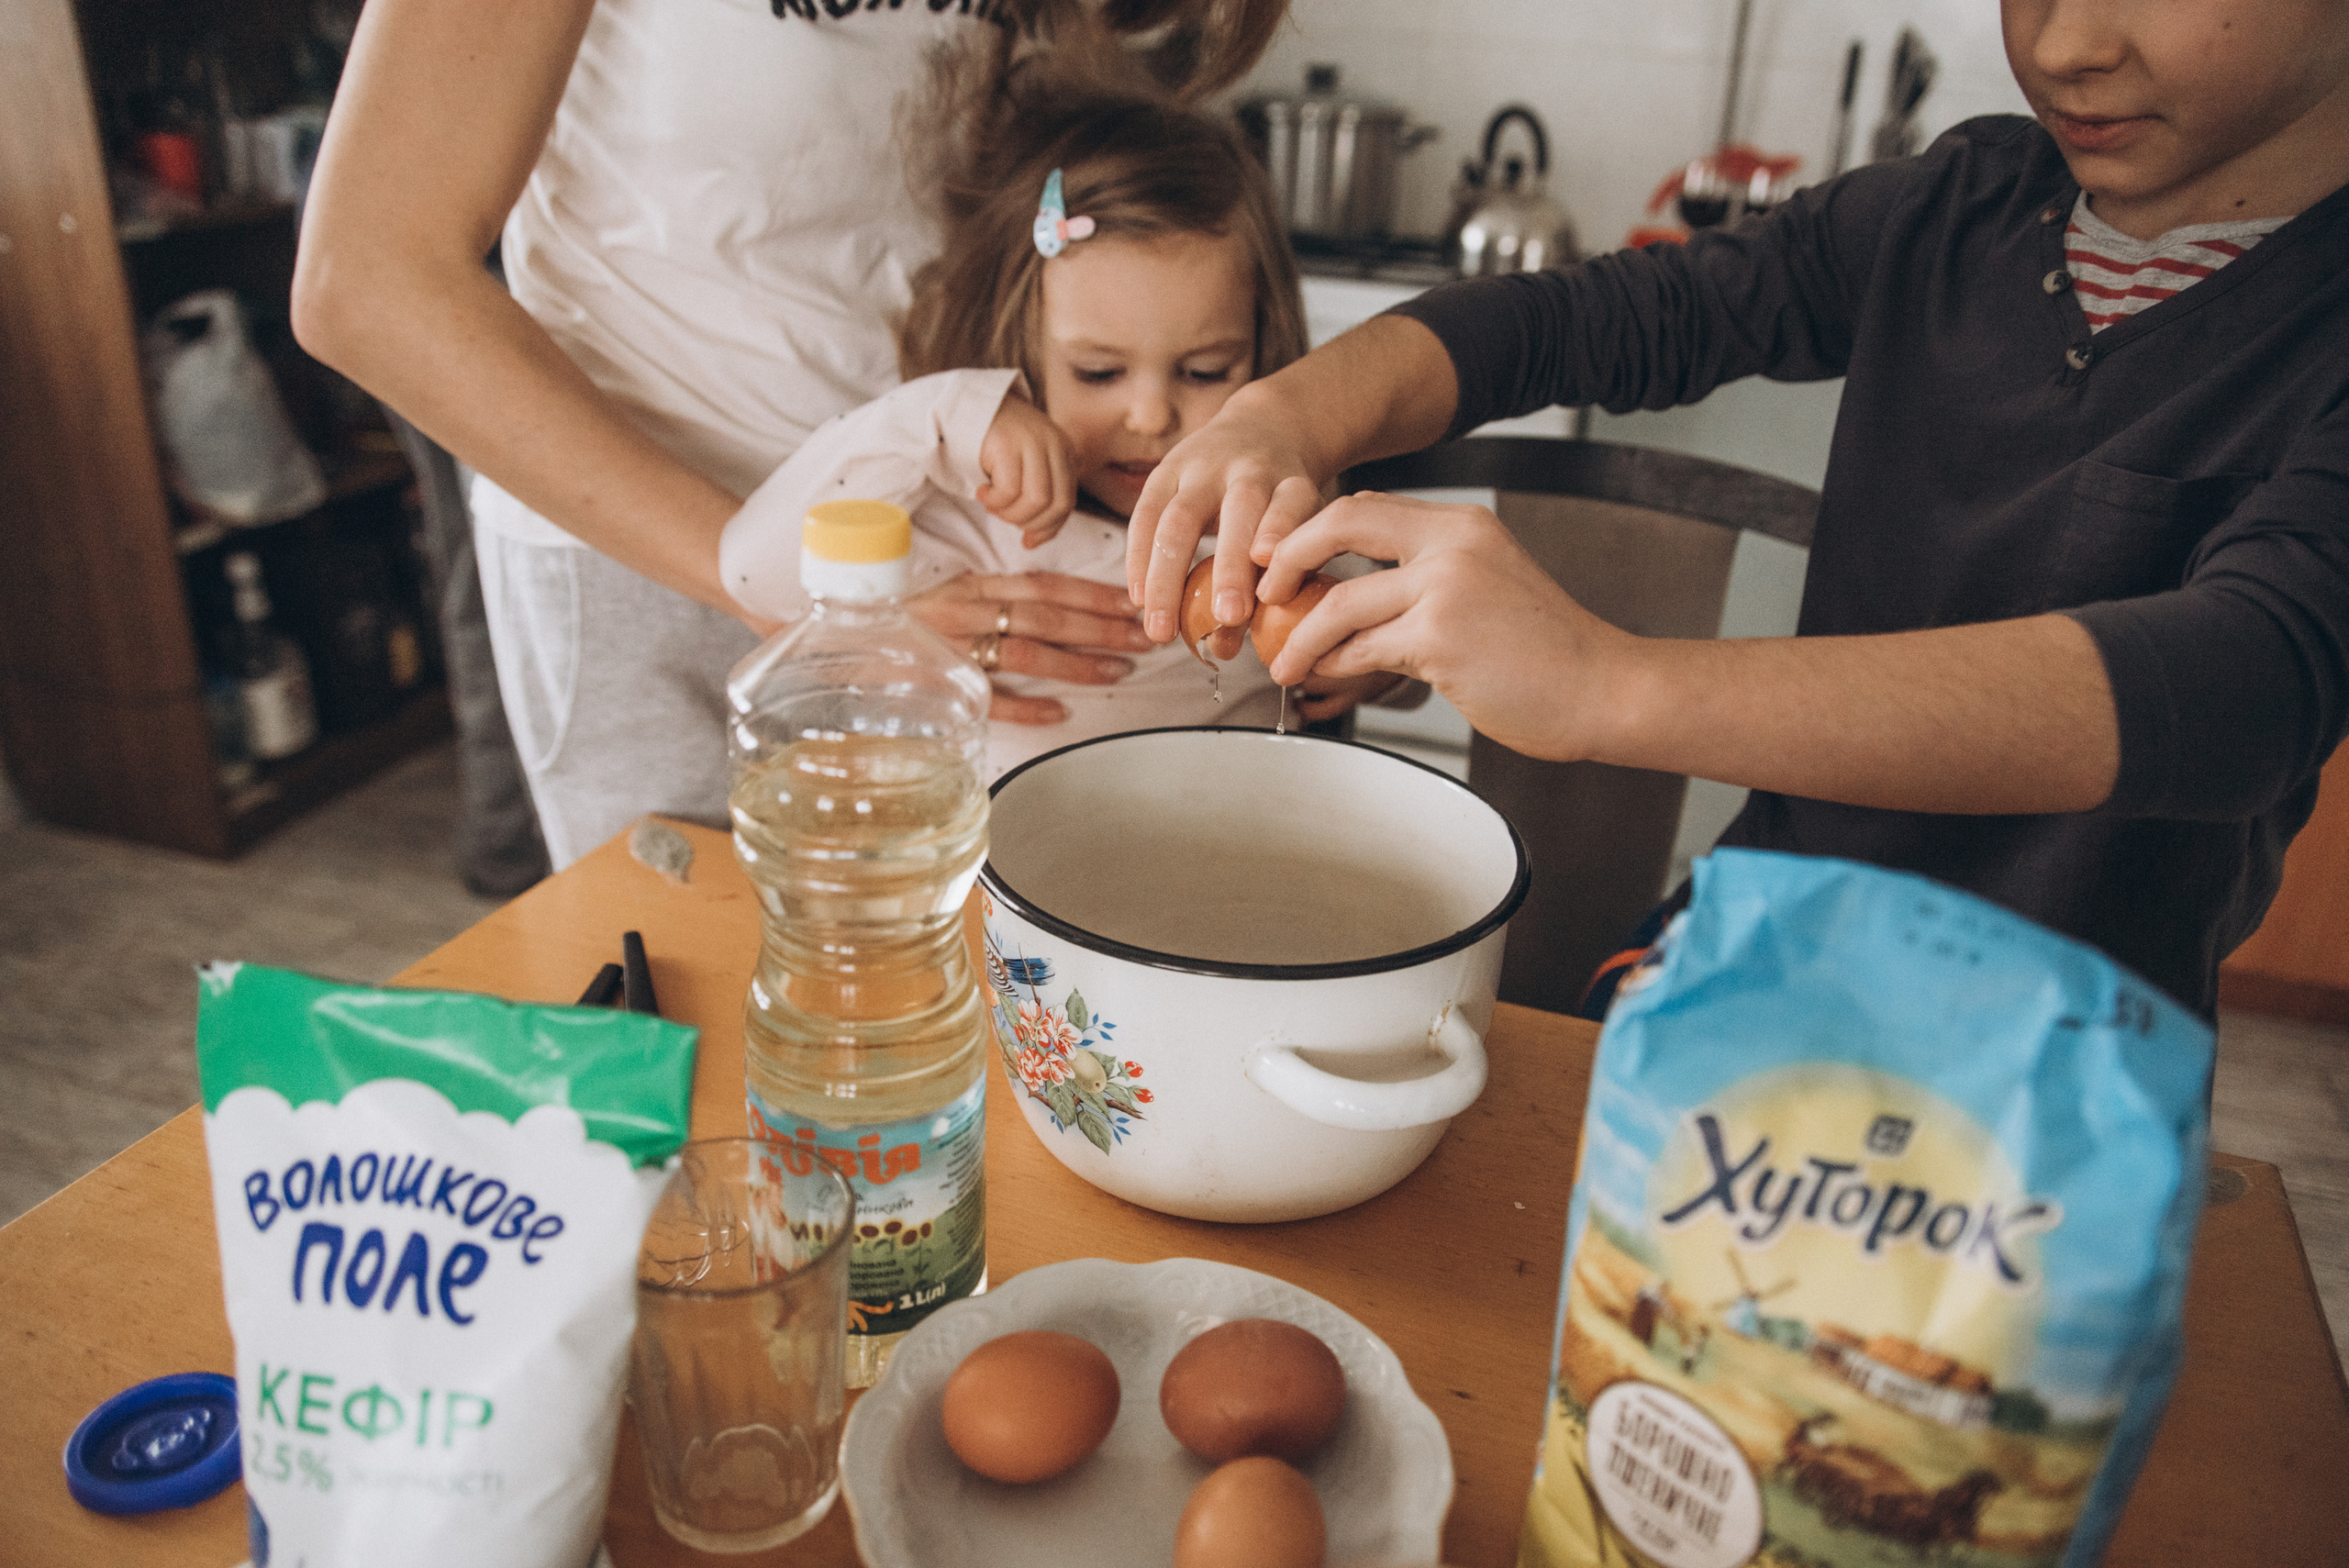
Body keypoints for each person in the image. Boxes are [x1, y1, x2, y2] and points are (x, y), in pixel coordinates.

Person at [1121, 0, 2349, 1017]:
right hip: (1759, 945)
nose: (2067, 42)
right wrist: (1289, 414)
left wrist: (1609, 683)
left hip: (2046, 1061)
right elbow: (1606, 318)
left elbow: (2249, 680)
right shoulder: (1956, 204)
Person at [291, 0, 1285, 868]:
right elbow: (365, 281)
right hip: (660, 556)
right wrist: (822, 608)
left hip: (940, 546)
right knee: (708, 1010)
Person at [718, 72, 1408, 778]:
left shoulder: (1276, 531)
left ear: (1265, 352)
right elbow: (753, 573)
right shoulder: (973, 519)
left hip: (1228, 870)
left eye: (1204, 371)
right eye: (1099, 374)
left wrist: (1376, 673)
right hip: (1001, 879)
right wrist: (944, 415)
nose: (1150, 416)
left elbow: (1408, 647)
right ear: (1026, 351)